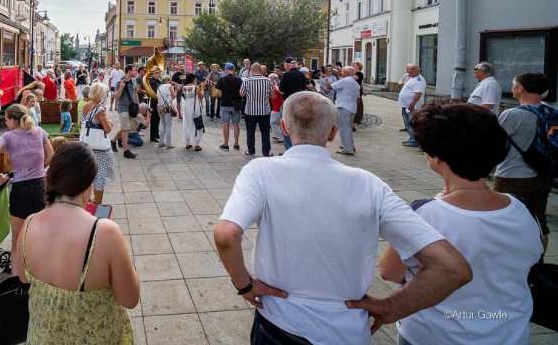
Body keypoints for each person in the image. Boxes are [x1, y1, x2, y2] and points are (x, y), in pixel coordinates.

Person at [214, 91, 472, 344]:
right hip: (347, 329)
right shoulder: (369, 185)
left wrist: (245, 285)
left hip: (280, 322)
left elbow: (227, 234)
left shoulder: (261, 171)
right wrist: (394, 307)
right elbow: (452, 267)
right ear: (332, 132)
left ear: (284, 127)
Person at [379, 102, 542, 345]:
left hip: (435, 334)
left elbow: (389, 272)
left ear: (437, 158)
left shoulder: (426, 214)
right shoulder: (524, 208)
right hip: (509, 333)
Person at [12, 142, 139, 343]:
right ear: (89, 185)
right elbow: (130, 299)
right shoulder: (105, 233)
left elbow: (24, 279)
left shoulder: (29, 224)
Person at [0, 103, 54, 276]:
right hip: (41, 186)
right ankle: (44, 272)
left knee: (17, 239)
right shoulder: (39, 132)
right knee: (42, 234)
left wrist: (0, 179)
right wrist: (40, 165)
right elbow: (51, 156)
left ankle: (17, 279)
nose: (6, 123)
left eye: (7, 120)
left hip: (21, 189)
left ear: (12, 120)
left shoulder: (8, 136)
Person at [495, 72, 553, 249]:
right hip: (544, 174)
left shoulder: (513, 114)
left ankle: (510, 259)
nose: (512, 87)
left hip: (512, 175)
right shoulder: (551, 112)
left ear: (520, 88)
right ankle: (537, 263)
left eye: (514, 84)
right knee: (539, 221)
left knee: (505, 221)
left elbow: (496, 144)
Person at [80, 83, 115, 205]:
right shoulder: (100, 109)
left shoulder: (84, 106)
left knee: (87, 175)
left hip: (86, 146)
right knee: (99, 176)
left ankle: (86, 202)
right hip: (99, 148)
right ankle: (97, 205)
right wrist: (110, 123)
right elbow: (107, 129)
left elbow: (82, 124)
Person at [240, 63, 274, 157]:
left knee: (250, 131)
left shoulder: (247, 81)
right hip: (264, 110)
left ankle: (251, 151)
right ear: (261, 70)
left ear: (251, 70)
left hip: (250, 110)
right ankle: (266, 152)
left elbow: (241, 94)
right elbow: (273, 94)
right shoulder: (267, 81)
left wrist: (249, 94)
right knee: (265, 131)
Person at [277, 57, 306, 149]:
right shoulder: (301, 75)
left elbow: (281, 90)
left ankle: (289, 148)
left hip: (288, 102)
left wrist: (276, 87)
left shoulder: (286, 75)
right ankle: (299, 147)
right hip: (300, 102)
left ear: (287, 65)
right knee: (298, 125)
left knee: (286, 125)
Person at [332, 66, 361, 156]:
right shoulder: (355, 83)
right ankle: (350, 145)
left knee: (344, 128)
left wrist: (325, 79)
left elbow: (331, 86)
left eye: (343, 71)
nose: (341, 73)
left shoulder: (344, 81)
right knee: (348, 127)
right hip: (352, 107)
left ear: (347, 73)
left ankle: (348, 148)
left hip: (344, 106)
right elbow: (358, 97)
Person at [112, 64, 139, 159]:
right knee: (126, 129)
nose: (135, 72)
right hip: (122, 108)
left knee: (125, 128)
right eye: (133, 70)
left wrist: (137, 105)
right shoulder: (119, 82)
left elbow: (135, 92)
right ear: (128, 71)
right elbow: (116, 96)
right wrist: (121, 87)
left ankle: (113, 140)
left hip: (131, 108)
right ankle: (126, 150)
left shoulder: (134, 80)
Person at [216, 62, 243, 150]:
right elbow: (242, 93)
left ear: (226, 70)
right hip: (236, 104)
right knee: (236, 124)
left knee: (226, 123)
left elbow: (217, 93)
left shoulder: (222, 79)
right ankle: (236, 143)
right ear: (233, 70)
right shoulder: (239, 79)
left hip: (225, 104)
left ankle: (226, 144)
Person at [398, 65, 426, 147]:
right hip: (405, 105)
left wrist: (412, 104)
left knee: (413, 123)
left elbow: (418, 93)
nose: (410, 71)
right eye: (409, 69)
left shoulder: (419, 80)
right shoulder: (411, 78)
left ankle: (415, 141)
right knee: (408, 123)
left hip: (412, 106)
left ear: (418, 70)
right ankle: (412, 138)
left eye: (413, 69)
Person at [181, 74, 205, 150]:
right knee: (197, 123)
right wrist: (203, 88)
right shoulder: (196, 87)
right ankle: (197, 144)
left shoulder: (184, 87)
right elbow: (201, 96)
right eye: (195, 78)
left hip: (186, 106)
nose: (196, 80)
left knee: (187, 123)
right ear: (193, 79)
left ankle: (188, 143)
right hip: (195, 107)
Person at [156, 73, 176, 149]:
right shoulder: (169, 86)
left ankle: (161, 142)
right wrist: (176, 90)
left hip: (160, 107)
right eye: (170, 80)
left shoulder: (159, 87)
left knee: (163, 126)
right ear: (167, 80)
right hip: (167, 108)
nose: (170, 82)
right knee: (168, 126)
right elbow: (173, 96)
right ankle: (168, 144)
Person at [268, 72, 285, 145]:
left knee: (273, 122)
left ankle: (281, 137)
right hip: (276, 106)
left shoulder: (276, 86)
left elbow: (275, 95)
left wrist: (267, 95)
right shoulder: (275, 86)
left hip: (277, 107)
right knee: (276, 122)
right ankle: (279, 136)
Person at [352, 61, 365, 125]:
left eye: (354, 65)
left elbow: (352, 79)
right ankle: (356, 119)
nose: (353, 66)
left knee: (357, 105)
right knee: (358, 105)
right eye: (352, 65)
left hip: (357, 91)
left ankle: (356, 119)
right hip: (355, 90)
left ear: (358, 66)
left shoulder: (359, 74)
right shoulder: (355, 73)